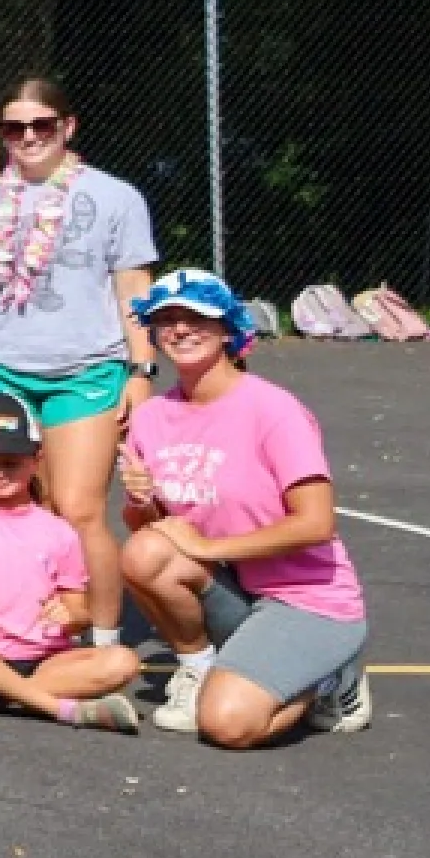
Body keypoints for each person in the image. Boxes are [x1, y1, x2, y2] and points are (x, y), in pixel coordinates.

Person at [117, 270, 374, 744]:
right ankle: (197, 668)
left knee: (228, 725)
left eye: (197, 317)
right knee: (142, 552)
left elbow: (316, 523)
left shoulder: (272, 410)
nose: (180, 329)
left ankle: (331, 679)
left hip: (307, 600)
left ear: (228, 328)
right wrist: (141, 500)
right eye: (166, 319)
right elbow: (152, 530)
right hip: (239, 589)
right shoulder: (151, 417)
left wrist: (210, 546)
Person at [0, 76, 159, 642]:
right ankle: (20, 624)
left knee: (78, 507)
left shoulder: (116, 196)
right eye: (14, 128)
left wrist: (141, 372)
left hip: (86, 368)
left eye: (40, 125)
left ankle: (102, 635)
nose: (27, 137)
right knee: (16, 502)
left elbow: (134, 291)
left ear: (67, 127)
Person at [0, 395, 143, 730]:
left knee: (124, 661)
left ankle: (0, 694)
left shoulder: (59, 531)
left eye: (10, 462)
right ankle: (60, 708)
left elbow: (78, 608)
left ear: (35, 459)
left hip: (47, 658)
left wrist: (71, 616)